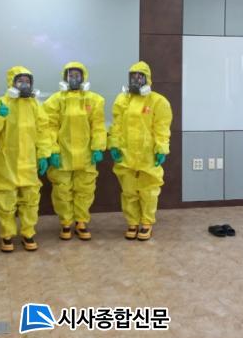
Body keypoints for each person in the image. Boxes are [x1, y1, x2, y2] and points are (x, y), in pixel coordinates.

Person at [0, 66, 51, 252]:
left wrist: (44, 154)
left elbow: (43, 131)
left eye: (27, 81)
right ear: (11, 83)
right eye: (20, 81)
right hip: (6, 162)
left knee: (30, 200)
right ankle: (6, 235)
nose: (24, 84)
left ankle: (28, 233)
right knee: (5, 200)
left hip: (29, 161)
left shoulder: (36, 105)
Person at [108, 61, 172, 241]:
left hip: (147, 155)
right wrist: (114, 144)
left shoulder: (158, 101)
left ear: (147, 79)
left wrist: (161, 148)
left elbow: (161, 128)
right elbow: (116, 126)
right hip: (126, 153)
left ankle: (146, 222)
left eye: (140, 77)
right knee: (128, 191)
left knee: (148, 191)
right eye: (133, 77)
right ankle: (132, 222)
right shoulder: (122, 100)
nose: (136, 80)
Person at [43, 62, 106, 240]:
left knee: (85, 189)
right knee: (62, 191)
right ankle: (65, 223)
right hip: (62, 154)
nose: (74, 79)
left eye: (77, 75)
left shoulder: (94, 100)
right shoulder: (55, 101)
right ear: (65, 78)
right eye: (70, 75)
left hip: (86, 154)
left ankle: (81, 221)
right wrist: (52, 150)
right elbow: (49, 127)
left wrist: (98, 147)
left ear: (84, 77)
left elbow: (98, 126)